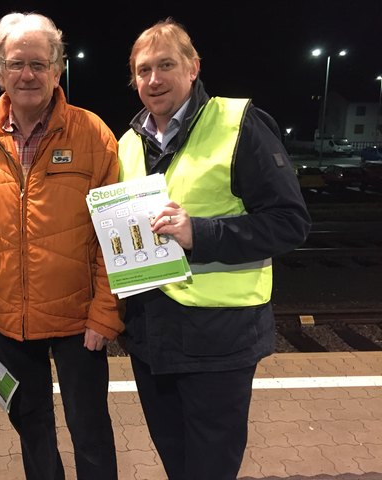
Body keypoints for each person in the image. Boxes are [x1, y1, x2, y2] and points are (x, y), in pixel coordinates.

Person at [117, 18, 311, 480]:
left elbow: (290, 223)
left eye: (166, 65)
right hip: (151, 335)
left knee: (210, 466)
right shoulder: (127, 144)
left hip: (219, 339)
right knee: (175, 459)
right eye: (143, 70)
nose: (154, 79)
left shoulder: (238, 123)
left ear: (193, 68)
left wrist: (199, 234)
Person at [0, 12, 123, 480]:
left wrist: (105, 313)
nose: (27, 74)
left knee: (90, 431)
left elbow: (116, 236)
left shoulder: (94, 137)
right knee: (32, 428)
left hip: (78, 322)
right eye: (16, 63)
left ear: (57, 68)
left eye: (39, 63)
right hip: (10, 322)